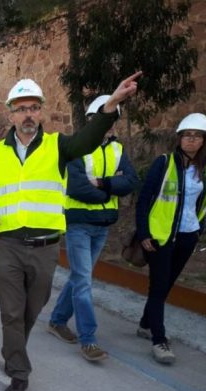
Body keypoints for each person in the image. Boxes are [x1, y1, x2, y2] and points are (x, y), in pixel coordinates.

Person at [0, 72, 141, 391]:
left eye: (34, 108)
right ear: (10, 113)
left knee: (31, 310)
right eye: (21, 109)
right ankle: (19, 373)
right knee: (10, 311)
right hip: (6, 243)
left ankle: (12, 351)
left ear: (42, 112)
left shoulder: (59, 146)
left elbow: (89, 140)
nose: (28, 115)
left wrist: (112, 103)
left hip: (45, 246)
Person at [47, 95, 138, 362]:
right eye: (102, 120)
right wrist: (109, 188)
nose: (108, 126)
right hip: (78, 224)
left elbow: (131, 181)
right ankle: (89, 340)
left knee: (79, 277)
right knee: (84, 280)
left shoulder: (117, 150)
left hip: (102, 225)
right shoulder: (76, 148)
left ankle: (57, 320)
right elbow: (77, 187)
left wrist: (101, 183)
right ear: (90, 121)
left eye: (112, 121)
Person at [135, 112, 206, 365]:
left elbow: (204, 202)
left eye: (196, 136)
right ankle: (159, 340)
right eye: (186, 135)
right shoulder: (164, 163)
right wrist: (144, 232)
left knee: (166, 286)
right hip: (160, 237)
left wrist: (200, 228)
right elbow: (144, 199)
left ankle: (146, 324)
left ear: (203, 141)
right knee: (158, 287)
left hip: (188, 236)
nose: (191, 140)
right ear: (179, 138)